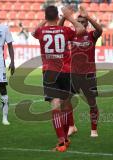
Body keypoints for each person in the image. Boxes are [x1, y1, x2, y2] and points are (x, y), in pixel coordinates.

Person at [32, 6, 85, 152]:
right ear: (57, 17)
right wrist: (69, 16)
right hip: (66, 71)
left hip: (49, 72)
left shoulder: (41, 31)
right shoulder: (65, 30)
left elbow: (33, 32)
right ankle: (66, 138)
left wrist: (46, 20)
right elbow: (81, 30)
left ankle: (62, 141)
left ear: (46, 17)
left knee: (55, 104)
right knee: (66, 104)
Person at [59, 6, 102, 137]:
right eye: (80, 22)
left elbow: (99, 30)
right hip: (73, 74)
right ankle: (72, 126)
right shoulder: (72, 35)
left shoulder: (91, 36)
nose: (81, 24)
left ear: (87, 24)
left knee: (92, 103)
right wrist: (64, 17)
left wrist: (88, 16)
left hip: (88, 74)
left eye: (84, 22)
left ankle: (94, 130)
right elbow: (59, 30)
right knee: (64, 101)